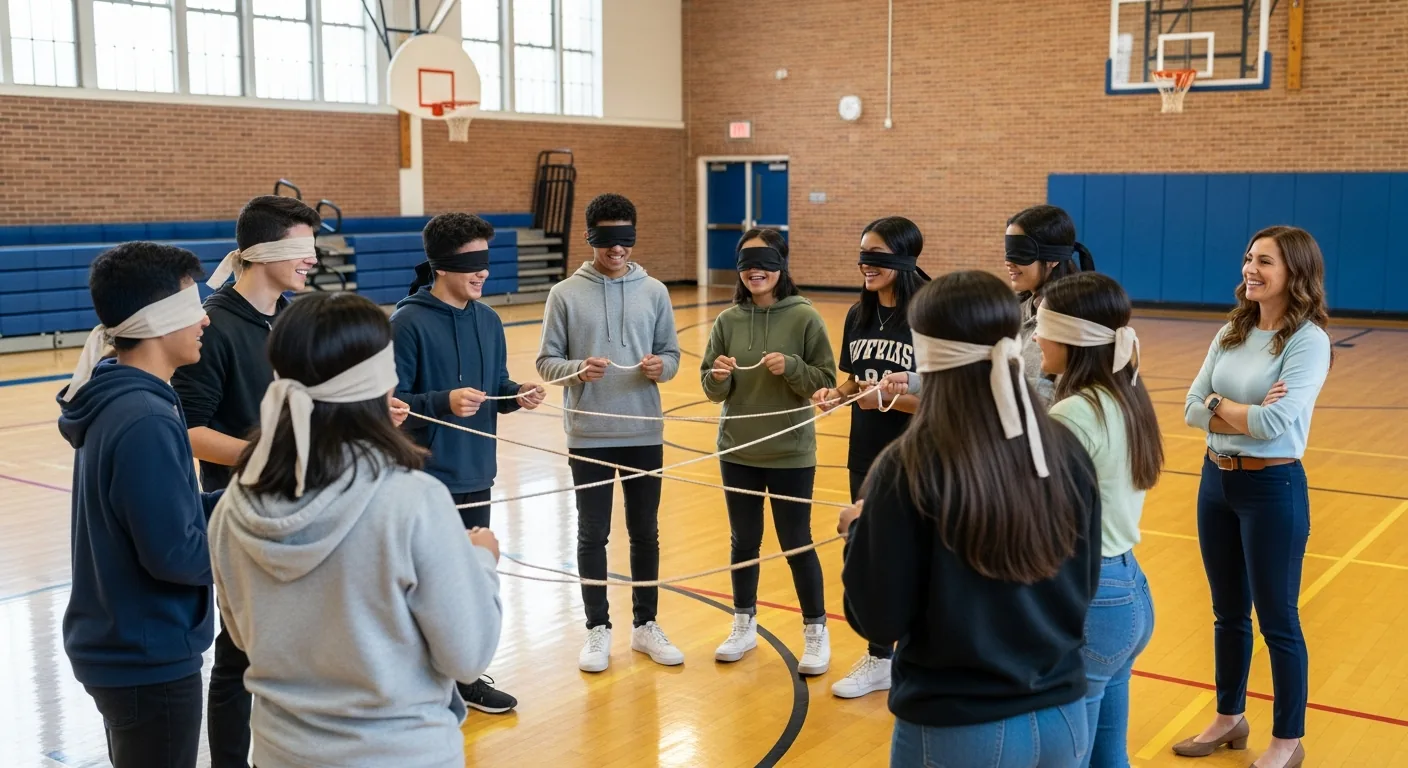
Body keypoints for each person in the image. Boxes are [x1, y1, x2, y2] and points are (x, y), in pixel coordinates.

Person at [207, 292, 504, 768]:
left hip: (279, 752)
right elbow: (467, 656)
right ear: (379, 385)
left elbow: (243, 637)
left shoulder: (234, 504)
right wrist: (481, 563)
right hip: (399, 754)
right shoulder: (413, 501)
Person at [841, 270, 1102, 768]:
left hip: (962, 726)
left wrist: (860, 533)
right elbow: (1083, 584)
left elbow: (877, 618)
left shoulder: (911, 465)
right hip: (1063, 717)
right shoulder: (1063, 447)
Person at [170, 194, 322, 767]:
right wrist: (272, 459)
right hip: (243, 512)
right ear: (263, 253)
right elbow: (188, 430)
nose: (312, 261)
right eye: (301, 251)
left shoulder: (291, 317)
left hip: (304, 509)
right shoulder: (213, 325)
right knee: (239, 659)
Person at [56, 241, 218, 768]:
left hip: (124, 640)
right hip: (147, 652)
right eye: (194, 309)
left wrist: (246, 501)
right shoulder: (144, 416)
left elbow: (165, 514)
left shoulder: (121, 394)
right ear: (158, 321)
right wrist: (261, 542)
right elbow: (177, 555)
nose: (205, 323)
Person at [1176, 226, 1330, 768]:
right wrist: (1231, 405)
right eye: (1247, 257)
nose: (1250, 269)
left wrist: (1220, 407)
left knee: (1278, 619)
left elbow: (1274, 422)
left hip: (1272, 489)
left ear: (1294, 273)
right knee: (1227, 613)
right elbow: (1191, 406)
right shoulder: (1231, 331)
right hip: (1215, 480)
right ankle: (1229, 716)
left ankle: (1288, 740)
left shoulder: (1309, 341)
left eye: (1264, 261)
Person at [389, 211, 543, 714]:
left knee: (471, 582)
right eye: (472, 263)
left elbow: (493, 388)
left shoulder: (490, 320)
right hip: (427, 479)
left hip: (479, 473)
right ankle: (426, 684)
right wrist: (441, 402)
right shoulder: (407, 322)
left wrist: (516, 394)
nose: (483, 273)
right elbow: (390, 407)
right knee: (427, 588)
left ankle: (465, 678)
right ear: (442, 264)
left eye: (486, 262)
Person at [535, 192, 685, 673]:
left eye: (624, 240)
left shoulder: (656, 292)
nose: (616, 250)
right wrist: (577, 370)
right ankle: (597, 629)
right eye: (607, 240)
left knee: (646, 532)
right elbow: (545, 363)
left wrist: (663, 366)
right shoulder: (564, 294)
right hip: (590, 435)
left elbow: (674, 356)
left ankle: (646, 626)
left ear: (634, 238)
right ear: (590, 238)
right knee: (592, 534)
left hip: (644, 431)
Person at [1035, 272, 1161, 768]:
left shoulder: (1072, 413)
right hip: (1129, 589)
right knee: (1109, 756)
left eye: (1042, 328)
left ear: (1072, 337)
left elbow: (1036, 519)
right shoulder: (1125, 394)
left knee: (1066, 756)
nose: (1037, 339)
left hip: (1090, 597)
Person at [702, 228, 837, 675]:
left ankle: (816, 632)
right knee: (744, 541)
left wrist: (794, 367)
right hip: (737, 450)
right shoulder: (727, 321)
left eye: (764, 261)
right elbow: (710, 388)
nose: (755, 270)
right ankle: (743, 624)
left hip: (791, 452)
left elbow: (825, 381)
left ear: (781, 264)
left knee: (796, 541)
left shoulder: (805, 318)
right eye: (746, 261)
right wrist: (719, 377)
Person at [811, 215, 929, 699]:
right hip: (865, 455)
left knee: (920, 556)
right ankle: (880, 657)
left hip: (918, 455)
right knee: (873, 552)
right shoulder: (858, 315)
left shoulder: (927, 315)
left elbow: (939, 396)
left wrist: (885, 399)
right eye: (862, 254)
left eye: (877, 256)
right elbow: (855, 383)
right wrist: (833, 395)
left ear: (902, 258)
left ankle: (920, 655)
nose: (866, 264)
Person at [1004, 204, 1095, 405]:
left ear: (1052, 258)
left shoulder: (1074, 320)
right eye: (1008, 251)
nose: (1008, 262)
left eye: (1020, 252)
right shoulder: (1017, 311)